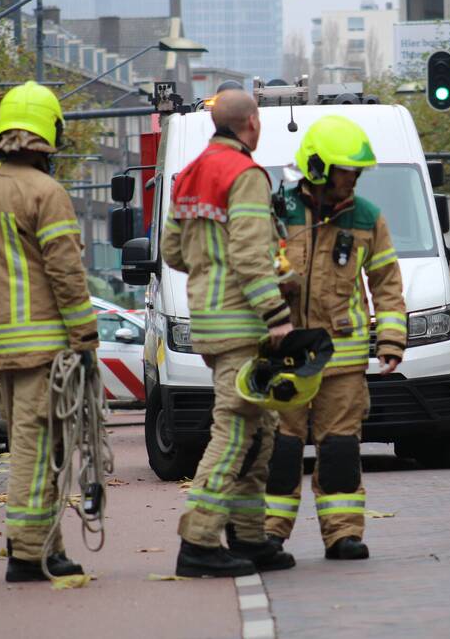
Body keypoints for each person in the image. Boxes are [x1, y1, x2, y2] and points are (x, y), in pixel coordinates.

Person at [0, 81, 98, 581]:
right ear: (48, 132)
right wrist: (85, 340)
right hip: (44, 349)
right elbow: (66, 274)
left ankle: (47, 546)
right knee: (38, 451)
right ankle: (27, 552)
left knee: (37, 448)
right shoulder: (46, 192)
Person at [161, 89, 295, 578]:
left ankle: (250, 538)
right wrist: (277, 312)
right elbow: (250, 256)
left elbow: (173, 251)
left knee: (259, 431)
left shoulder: (190, 173)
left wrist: (208, 267)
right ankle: (198, 542)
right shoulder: (245, 175)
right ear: (252, 123)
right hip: (243, 322)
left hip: (210, 321)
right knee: (236, 432)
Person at [264, 115, 406, 560]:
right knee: (281, 449)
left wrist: (391, 340)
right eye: (347, 171)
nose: (354, 179)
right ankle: (268, 534)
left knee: (341, 449)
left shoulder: (367, 218)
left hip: (342, 361)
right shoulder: (277, 210)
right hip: (284, 354)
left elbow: (387, 282)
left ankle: (343, 533)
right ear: (318, 167)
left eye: (357, 171)